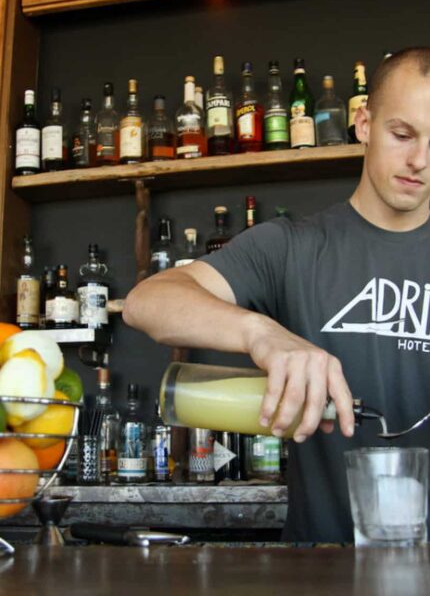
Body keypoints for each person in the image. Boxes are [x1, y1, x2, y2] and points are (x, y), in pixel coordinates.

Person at [123, 47, 430, 542]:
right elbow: (147, 303)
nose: (420, 160)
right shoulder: (291, 246)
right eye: (402, 134)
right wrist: (262, 334)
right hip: (318, 570)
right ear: (364, 123)